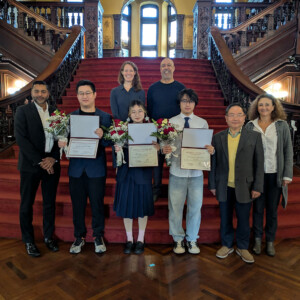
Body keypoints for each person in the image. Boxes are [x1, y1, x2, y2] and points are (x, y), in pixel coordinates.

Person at [59, 80, 112, 254]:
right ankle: (79, 237)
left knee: (97, 204)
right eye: (81, 93)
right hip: (76, 169)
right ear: (77, 96)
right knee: (78, 205)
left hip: (96, 168)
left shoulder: (104, 117)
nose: (85, 96)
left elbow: (108, 142)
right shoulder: (70, 118)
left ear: (95, 94)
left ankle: (98, 236)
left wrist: (103, 135)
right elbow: (66, 142)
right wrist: (62, 143)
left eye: (88, 93)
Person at [208, 103, 264, 264]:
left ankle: (243, 247)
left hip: (246, 187)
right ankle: (226, 245)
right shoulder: (218, 138)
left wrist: (257, 186)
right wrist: (212, 184)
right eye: (231, 115)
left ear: (244, 118)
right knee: (225, 218)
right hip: (224, 186)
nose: (235, 118)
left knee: (243, 219)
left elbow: (259, 164)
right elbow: (214, 163)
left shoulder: (254, 137)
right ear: (226, 118)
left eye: (238, 114)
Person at [162, 89, 214, 255]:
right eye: (184, 100)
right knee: (175, 208)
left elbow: (206, 146)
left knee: (195, 208)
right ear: (179, 103)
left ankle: (192, 239)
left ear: (195, 104)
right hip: (177, 172)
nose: (187, 104)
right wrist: (165, 149)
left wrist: (210, 150)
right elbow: (164, 144)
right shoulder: (171, 122)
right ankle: (178, 239)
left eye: (190, 101)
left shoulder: (202, 123)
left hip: (196, 174)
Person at [14, 80, 61, 257]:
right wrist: (40, 161)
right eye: (37, 91)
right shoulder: (22, 111)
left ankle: (49, 237)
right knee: (27, 204)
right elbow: (21, 139)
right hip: (30, 165)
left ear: (48, 94)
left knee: (49, 204)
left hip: (52, 165)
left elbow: (62, 139)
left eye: (43, 91)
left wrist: (53, 158)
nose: (40, 94)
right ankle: (29, 241)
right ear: (32, 93)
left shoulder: (56, 113)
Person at [246, 93, 293, 257]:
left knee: (272, 210)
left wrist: (287, 175)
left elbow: (288, 150)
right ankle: (258, 240)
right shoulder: (250, 126)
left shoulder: (281, 126)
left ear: (273, 107)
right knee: (258, 209)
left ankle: (270, 241)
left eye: (267, 104)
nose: (264, 108)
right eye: (260, 105)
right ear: (256, 107)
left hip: (275, 175)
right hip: (257, 176)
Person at [113, 100, 159, 254]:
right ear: (129, 114)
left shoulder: (152, 129)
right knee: (126, 207)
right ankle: (129, 239)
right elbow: (116, 153)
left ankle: (140, 239)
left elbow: (156, 152)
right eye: (133, 112)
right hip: (126, 172)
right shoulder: (121, 130)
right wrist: (117, 149)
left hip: (143, 172)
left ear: (144, 113)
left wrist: (157, 148)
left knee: (142, 208)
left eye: (140, 111)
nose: (137, 114)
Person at [147, 58, 185, 201]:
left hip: (176, 132)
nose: (166, 68)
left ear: (174, 68)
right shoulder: (153, 88)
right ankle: (156, 189)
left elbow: (184, 109)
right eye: (163, 65)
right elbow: (150, 110)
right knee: (157, 162)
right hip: (157, 131)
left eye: (169, 65)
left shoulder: (181, 88)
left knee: (175, 162)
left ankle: (175, 191)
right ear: (160, 69)